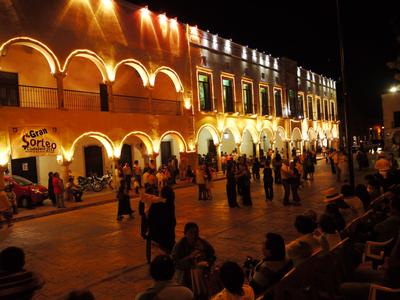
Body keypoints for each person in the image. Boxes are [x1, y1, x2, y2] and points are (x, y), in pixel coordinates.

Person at [172, 222, 216, 293]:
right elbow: (175, 264)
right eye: (190, 233)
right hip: (185, 272)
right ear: (185, 233)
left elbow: (212, 255)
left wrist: (207, 263)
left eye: (196, 233)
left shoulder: (202, 242)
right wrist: (190, 257)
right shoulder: (179, 246)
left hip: (200, 272)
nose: (193, 236)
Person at [147, 186, 176, 254]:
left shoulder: (156, 204)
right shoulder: (170, 203)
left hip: (158, 236)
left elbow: (150, 219)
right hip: (167, 233)